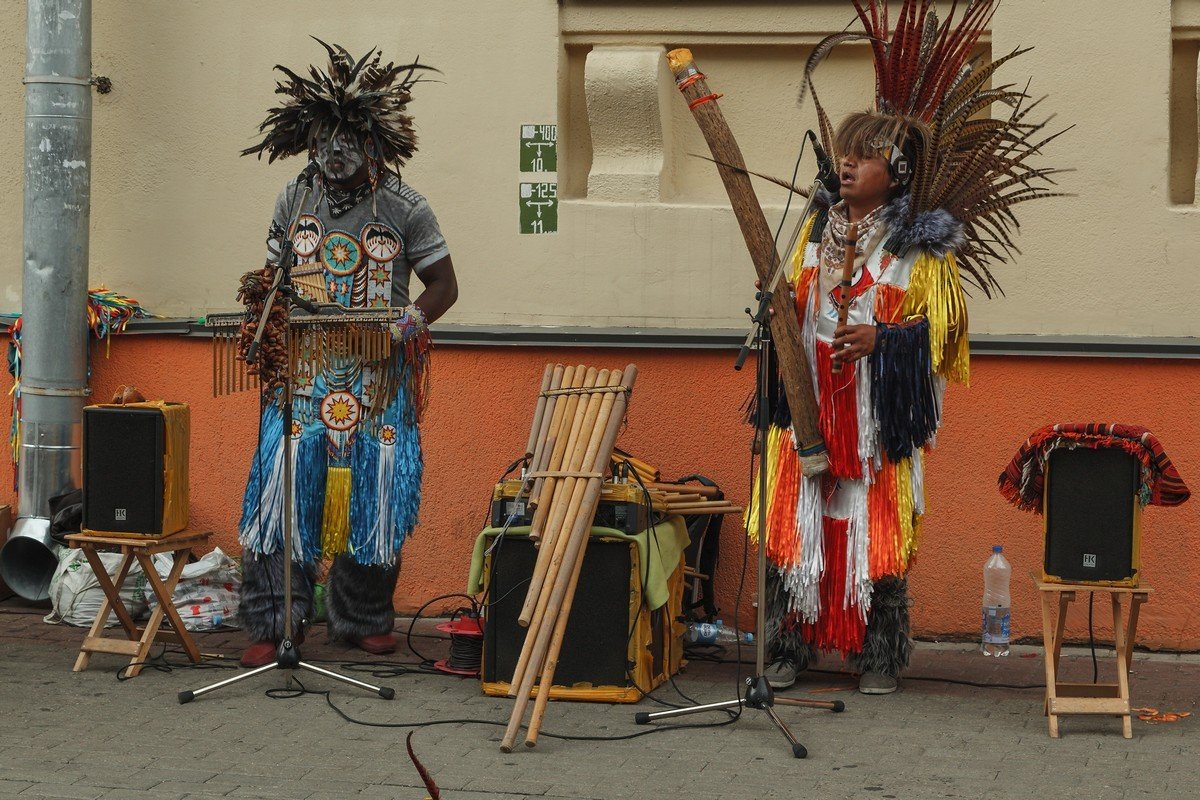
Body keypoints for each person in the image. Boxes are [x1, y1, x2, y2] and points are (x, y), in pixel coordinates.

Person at [751, 1, 1064, 694]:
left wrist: (884, 340)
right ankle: (786, 645)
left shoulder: (919, 251)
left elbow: (945, 339)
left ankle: (878, 655)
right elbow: (788, 304)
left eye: (861, 157)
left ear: (894, 170)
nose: (847, 165)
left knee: (872, 531)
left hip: (872, 417)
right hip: (806, 405)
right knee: (796, 527)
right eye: (843, 156)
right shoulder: (811, 231)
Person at [234, 41, 458, 667]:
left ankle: (363, 618)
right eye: (324, 139)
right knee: (282, 491)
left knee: (374, 493)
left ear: (376, 143)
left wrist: (405, 325)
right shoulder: (294, 200)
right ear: (307, 140)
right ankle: (274, 619)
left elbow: (444, 284)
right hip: (300, 371)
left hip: (377, 371)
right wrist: (265, 313)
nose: (334, 153)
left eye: (348, 139)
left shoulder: (407, 207)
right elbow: (274, 276)